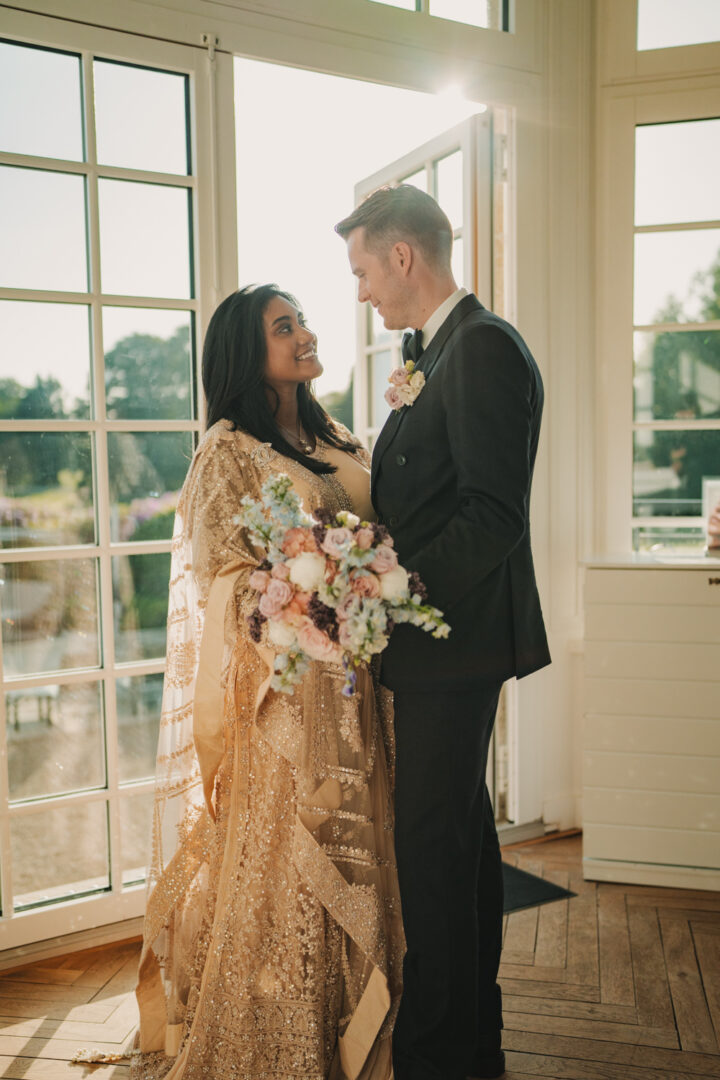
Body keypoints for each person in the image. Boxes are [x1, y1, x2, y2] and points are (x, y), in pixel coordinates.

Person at [131, 285, 403, 1080]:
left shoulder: (335, 433)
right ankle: (286, 1030)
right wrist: (314, 590)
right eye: (285, 328)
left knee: (368, 836)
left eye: (302, 321)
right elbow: (225, 580)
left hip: (360, 682)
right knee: (290, 855)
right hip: (287, 699)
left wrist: (362, 582)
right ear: (248, 355)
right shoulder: (227, 451)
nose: (306, 334)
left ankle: (368, 1018)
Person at [336, 186, 551, 1080]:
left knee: (432, 851)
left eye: (361, 271)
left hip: (452, 646)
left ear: (401, 257)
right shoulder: (445, 350)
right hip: (436, 648)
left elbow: (493, 516)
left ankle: (435, 1058)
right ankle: (471, 1049)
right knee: (457, 847)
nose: (359, 294)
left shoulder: (485, 349)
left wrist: (390, 594)